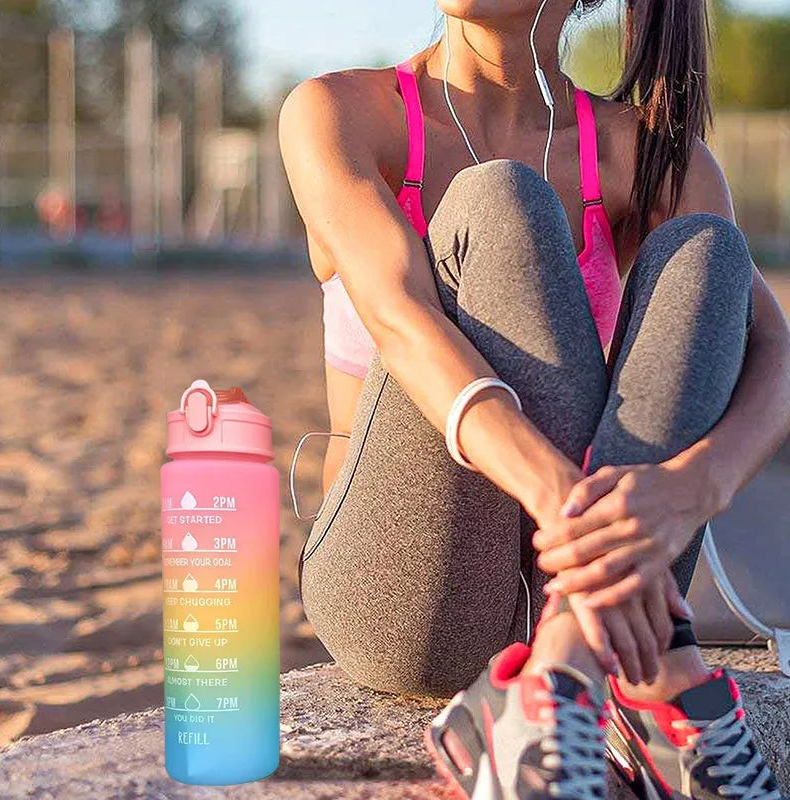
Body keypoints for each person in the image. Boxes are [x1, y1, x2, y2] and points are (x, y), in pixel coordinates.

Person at [279, 1, 790, 798]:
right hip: (410, 593)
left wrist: (694, 488)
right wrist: (563, 503)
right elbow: (398, 316)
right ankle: (661, 681)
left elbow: (777, 355)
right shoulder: (343, 113)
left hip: (583, 590)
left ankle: (562, 668)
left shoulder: (646, 154)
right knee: (503, 203)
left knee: (710, 250)